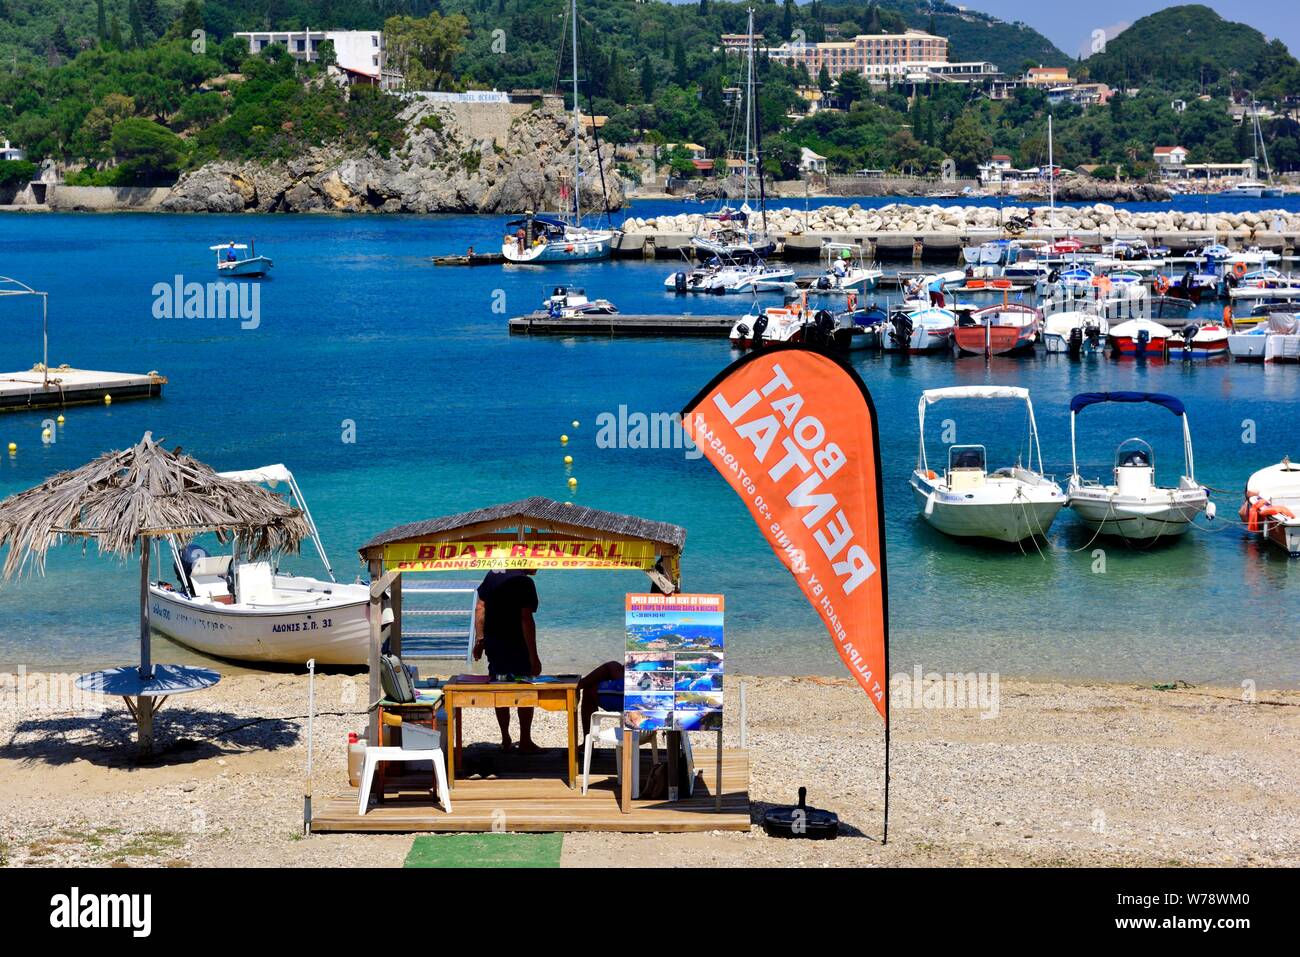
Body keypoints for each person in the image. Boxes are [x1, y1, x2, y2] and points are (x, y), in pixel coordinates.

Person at [473, 569, 542, 753]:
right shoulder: (525, 582)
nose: (538, 568)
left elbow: (480, 608)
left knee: (500, 687)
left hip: (495, 645)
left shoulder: (492, 574)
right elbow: (526, 619)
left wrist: (480, 640)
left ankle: (505, 739)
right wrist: (534, 656)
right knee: (525, 689)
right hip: (518, 646)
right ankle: (525, 740)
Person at [576, 660, 624, 746]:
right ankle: (579, 685)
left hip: (633, 697)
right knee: (613, 667)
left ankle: (578, 685)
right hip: (647, 691)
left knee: (589, 690)